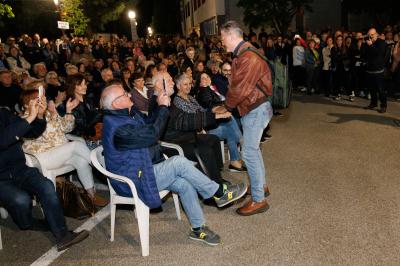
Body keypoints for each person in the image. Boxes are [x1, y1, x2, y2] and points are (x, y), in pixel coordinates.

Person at [100, 83, 247, 246]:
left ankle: (198, 229)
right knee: (179, 162)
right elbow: (152, 135)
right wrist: (163, 108)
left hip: (145, 168)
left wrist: (157, 101)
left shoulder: (127, 114)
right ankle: (218, 192)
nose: (129, 95)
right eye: (124, 94)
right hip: (133, 180)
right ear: (115, 103)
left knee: (184, 184)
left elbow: (150, 122)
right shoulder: (117, 127)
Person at [0, 100, 89, 252]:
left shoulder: (3, 113)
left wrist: (39, 117)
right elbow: (3, 140)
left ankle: (63, 235)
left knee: (46, 186)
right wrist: (29, 118)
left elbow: (31, 133)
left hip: (19, 168)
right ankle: (27, 223)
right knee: (21, 201)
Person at [20, 84, 108, 207]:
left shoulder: (48, 114)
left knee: (81, 160)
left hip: (59, 152)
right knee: (77, 145)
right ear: (27, 104)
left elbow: (67, 128)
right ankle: (104, 170)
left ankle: (91, 196)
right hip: (40, 158)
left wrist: (68, 111)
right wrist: (52, 114)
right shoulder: (25, 119)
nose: (43, 102)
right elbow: (47, 135)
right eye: (39, 100)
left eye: (42, 99)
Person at [220, 21, 273, 216]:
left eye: (223, 38)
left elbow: (240, 88)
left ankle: (259, 199)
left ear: (232, 36)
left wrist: (226, 107)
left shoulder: (248, 56)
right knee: (253, 150)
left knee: (249, 153)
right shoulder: (245, 53)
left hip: (255, 109)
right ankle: (261, 186)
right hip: (256, 107)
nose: (222, 42)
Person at [363, 28, 388, 113]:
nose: (370, 36)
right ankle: (373, 103)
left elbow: (378, 53)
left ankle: (383, 105)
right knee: (371, 89)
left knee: (381, 90)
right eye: (369, 35)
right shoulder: (367, 43)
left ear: (376, 34)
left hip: (378, 71)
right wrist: (366, 45)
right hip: (369, 70)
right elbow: (364, 54)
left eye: (372, 35)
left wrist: (371, 45)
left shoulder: (381, 43)